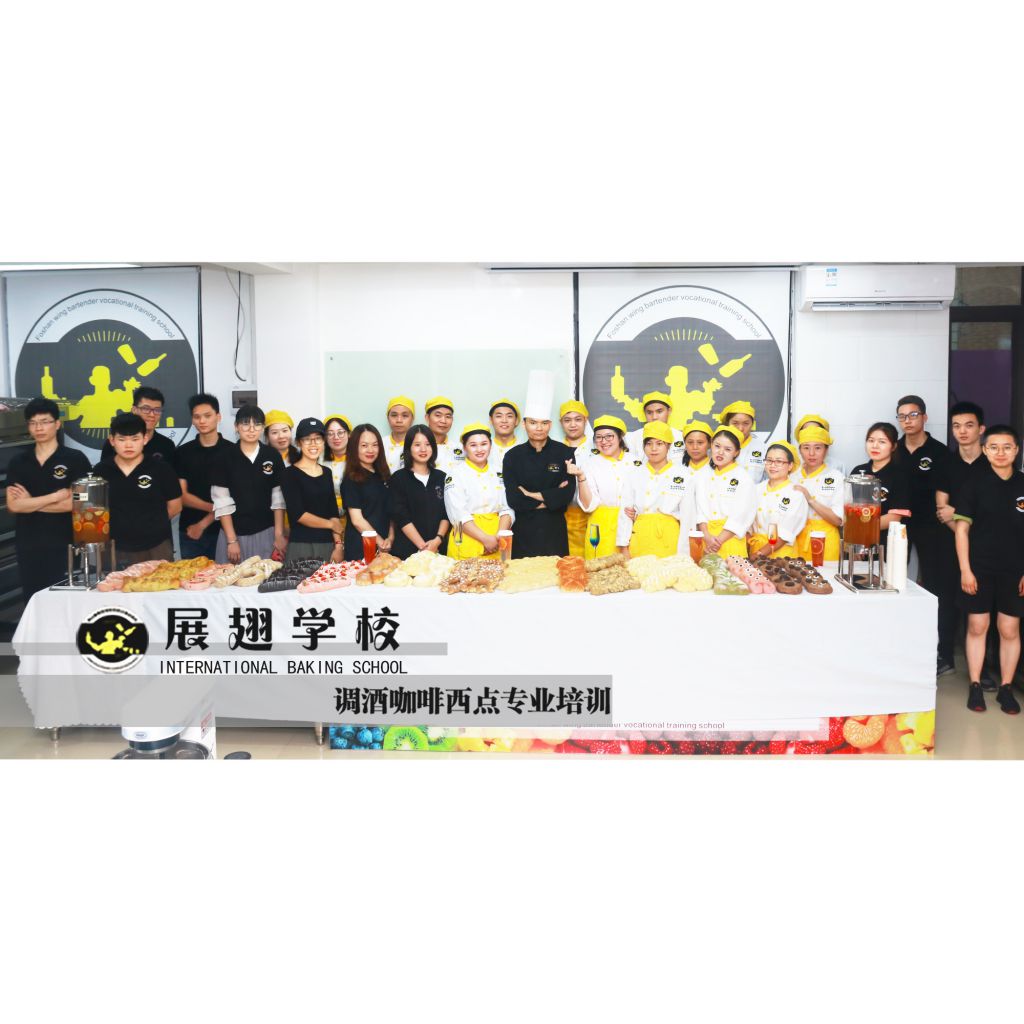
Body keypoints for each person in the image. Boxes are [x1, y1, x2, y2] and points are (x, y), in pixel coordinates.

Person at [954, 425, 1024, 715]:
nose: (1000, 452)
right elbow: (961, 530)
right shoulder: (974, 484)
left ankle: (1006, 688)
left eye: (1007, 447)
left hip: (1015, 570)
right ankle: (975, 685)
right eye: (994, 447)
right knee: (977, 626)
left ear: (1016, 450)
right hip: (979, 567)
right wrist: (965, 570)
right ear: (985, 450)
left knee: (1009, 628)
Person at [896, 394, 958, 676]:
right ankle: (901, 646)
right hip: (899, 525)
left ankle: (944, 653)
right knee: (894, 582)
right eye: (902, 416)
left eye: (913, 415)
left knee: (938, 587)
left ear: (924, 417)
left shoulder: (940, 452)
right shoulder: (894, 449)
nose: (907, 421)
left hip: (933, 527)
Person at [6, 398, 91, 598]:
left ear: (57, 424)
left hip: (65, 545)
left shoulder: (75, 459)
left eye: (45, 422)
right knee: (33, 600)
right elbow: (13, 505)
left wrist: (30, 503)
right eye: (33, 423)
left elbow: (79, 502)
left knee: (65, 600)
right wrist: (54, 497)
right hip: (28, 545)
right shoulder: (19, 462)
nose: (39, 428)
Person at [92, 413, 183, 566]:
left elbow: (175, 506)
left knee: (161, 581)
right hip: (113, 547)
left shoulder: (161, 469)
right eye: (122, 439)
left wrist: (151, 526)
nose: (128, 445)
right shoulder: (101, 471)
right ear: (112, 440)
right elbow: (94, 508)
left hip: (156, 546)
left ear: (145, 439)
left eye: (135, 439)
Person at [210, 405, 287, 563]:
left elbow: (278, 499)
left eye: (257, 424)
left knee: (267, 576)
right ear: (236, 427)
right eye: (246, 424)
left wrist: (279, 535)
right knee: (231, 577)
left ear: (263, 428)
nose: (251, 429)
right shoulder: (223, 457)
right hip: (233, 536)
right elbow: (221, 501)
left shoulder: (272, 455)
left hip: (267, 533)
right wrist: (231, 540)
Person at [502, 412, 576, 558]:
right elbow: (514, 499)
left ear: (550, 425)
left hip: (555, 530)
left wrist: (528, 494)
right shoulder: (512, 456)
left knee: (556, 569)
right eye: (533, 423)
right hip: (523, 531)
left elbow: (567, 495)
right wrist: (553, 498)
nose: (539, 428)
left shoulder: (564, 452)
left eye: (544, 423)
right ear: (524, 424)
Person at [566, 415, 633, 559]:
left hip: (630, 527)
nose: (604, 441)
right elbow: (589, 506)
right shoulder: (589, 464)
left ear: (620, 437)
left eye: (609, 436)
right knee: (600, 569)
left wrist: (637, 512)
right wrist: (581, 477)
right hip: (600, 527)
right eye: (599, 437)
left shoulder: (635, 462)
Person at [174, 393, 231, 560]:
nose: (202, 421)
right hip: (190, 532)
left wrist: (203, 524)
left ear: (218, 417)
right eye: (197, 417)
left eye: (207, 416)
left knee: (227, 575)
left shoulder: (232, 452)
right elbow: (182, 495)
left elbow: (235, 497)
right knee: (192, 575)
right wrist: (215, 508)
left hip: (226, 531)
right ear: (192, 420)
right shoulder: (182, 452)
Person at [444, 423, 512, 560]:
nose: (479, 449)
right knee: (464, 572)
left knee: (500, 572)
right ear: (464, 448)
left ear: (491, 445)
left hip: (497, 536)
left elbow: (507, 508)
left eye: (484, 444)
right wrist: (485, 539)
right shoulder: (455, 474)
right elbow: (457, 515)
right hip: (465, 534)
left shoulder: (499, 472)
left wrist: (499, 536)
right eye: (473, 445)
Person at [620, 421, 689, 557]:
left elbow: (688, 518)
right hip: (640, 537)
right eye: (649, 443)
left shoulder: (683, 475)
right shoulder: (633, 474)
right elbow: (625, 514)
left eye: (659, 443)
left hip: (670, 538)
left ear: (668, 446)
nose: (653, 448)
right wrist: (623, 546)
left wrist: (685, 553)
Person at [281, 418, 344, 562]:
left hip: (328, 545)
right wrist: (330, 524)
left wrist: (338, 545)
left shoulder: (326, 472)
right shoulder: (289, 474)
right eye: (307, 439)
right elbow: (298, 514)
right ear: (298, 442)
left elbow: (332, 512)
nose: (313, 443)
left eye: (318, 439)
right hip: (301, 545)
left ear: (324, 441)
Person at [694, 425, 756, 559]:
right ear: (711, 446)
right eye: (717, 446)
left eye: (728, 449)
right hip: (706, 540)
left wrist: (717, 541)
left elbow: (742, 515)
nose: (720, 452)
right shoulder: (702, 475)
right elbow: (699, 510)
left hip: (730, 541)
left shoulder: (743, 478)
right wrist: (707, 536)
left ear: (736, 452)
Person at [390, 425, 450, 560]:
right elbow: (401, 516)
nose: (423, 449)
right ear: (408, 448)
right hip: (407, 552)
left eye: (428, 444)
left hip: (439, 550)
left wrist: (437, 540)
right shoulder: (398, 478)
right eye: (417, 445)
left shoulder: (441, 477)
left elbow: (446, 513)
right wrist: (423, 547)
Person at [341, 424, 394, 562]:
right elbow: (357, 520)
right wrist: (380, 541)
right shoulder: (351, 479)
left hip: (385, 545)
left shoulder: (384, 475)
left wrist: (390, 537)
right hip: (361, 547)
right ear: (354, 448)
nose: (370, 450)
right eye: (364, 445)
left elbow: (391, 511)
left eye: (375, 445)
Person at [850, 422, 910, 544]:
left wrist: (862, 527)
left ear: (893, 446)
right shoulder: (858, 471)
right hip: (857, 540)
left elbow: (894, 517)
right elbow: (849, 507)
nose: (875, 446)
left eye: (882, 442)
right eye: (871, 440)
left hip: (887, 542)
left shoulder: (901, 475)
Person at [791, 424, 844, 562]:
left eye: (818, 448)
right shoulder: (792, 477)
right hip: (796, 539)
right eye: (806, 447)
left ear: (826, 450)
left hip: (826, 540)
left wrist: (810, 500)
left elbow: (837, 520)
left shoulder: (836, 477)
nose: (811, 453)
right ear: (800, 450)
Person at [748, 441, 808, 559]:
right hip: (754, 550)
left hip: (782, 556)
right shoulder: (756, 489)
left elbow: (784, 535)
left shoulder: (795, 494)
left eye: (779, 461)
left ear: (790, 466)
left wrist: (757, 555)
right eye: (769, 460)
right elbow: (746, 521)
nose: (773, 465)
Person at [98, 386, 177, 462]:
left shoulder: (166, 445)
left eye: (157, 410)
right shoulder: (115, 444)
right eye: (146, 409)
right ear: (134, 410)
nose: (152, 415)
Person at [559, 400, 593, 557]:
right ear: (561, 423)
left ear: (586, 420)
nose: (573, 425)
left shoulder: (597, 447)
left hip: (591, 514)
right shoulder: (554, 449)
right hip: (562, 516)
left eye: (578, 419)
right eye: (567, 420)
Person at [623, 392, 682, 463]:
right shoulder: (631, 438)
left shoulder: (681, 437)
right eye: (649, 412)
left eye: (659, 411)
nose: (654, 417)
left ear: (669, 411)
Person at [718, 401, 765, 483]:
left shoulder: (762, 448)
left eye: (746, 423)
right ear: (727, 423)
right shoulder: (716, 448)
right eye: (735, 423)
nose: (740, 428)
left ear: (752, 424)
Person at [322, 414, 352, 512]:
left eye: (340, 432)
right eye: (330, 433)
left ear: (349, 434)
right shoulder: (318, 459)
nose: (336, 437)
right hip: (325, 513)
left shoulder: (359, 459)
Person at [425, 397, 461, 474]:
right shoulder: (418, 448)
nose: (443, 421)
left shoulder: (459, 448)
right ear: (427, 418)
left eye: (448, 416)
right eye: (438, 415)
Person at [487, 399, 521, 471]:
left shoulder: (525, 449)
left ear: (516, 420)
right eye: (499, 416)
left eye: (509, 416)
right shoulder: (483, 449)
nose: (504, 420)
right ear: (491, 420)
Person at [383, 397, 414, 473]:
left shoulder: (419, 445)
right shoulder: (379, 443)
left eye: (405, 415)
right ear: (387, 418)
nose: (399, 420)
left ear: (412, 419)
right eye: (394, 415)